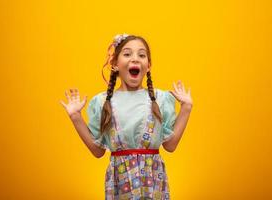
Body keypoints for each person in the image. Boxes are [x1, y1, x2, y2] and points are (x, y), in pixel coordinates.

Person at [60, 34, 193, 199]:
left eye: (141, 55)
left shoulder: (161, 100)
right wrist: (75, 117)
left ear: (148, 65)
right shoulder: (102, 103)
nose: (135, 59)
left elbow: (171, 145)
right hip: (120, 184)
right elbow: (98, 151)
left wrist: (186, 108)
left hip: (153, 184)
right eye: (127, 54)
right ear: (115, 64)